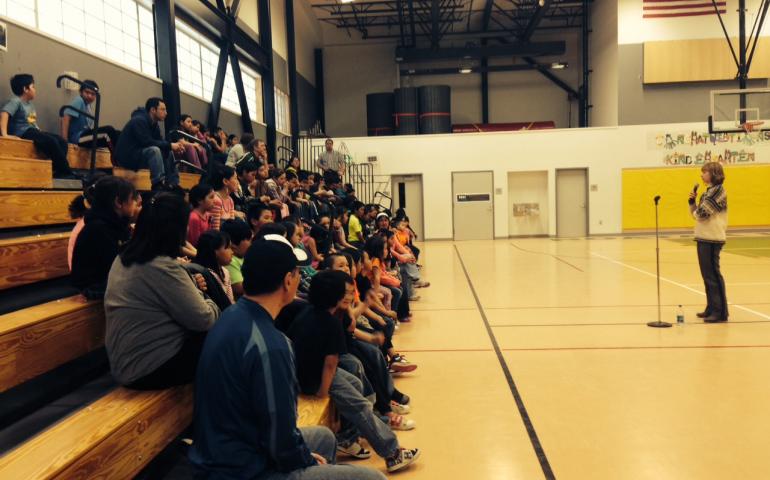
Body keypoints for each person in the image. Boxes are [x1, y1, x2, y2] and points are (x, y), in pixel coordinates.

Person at [189, 235, 387, 479]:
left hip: (224, 450)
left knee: (323, 437)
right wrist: (303, 457)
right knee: (373, 478)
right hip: (243, 469)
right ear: (288, 280)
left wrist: (301, 454)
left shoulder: (231, 316)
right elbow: (280, 438)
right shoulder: (271, 344)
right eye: (296, 272)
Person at [288, 270, 421, 473]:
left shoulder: (313, 311)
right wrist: (322, 391)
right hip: (315, 377)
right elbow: (331, 363)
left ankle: (347, 437)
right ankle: (392, 453)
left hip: (306, 371)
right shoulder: (330, 322)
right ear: (334, 295)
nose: (351, 296)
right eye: (348, 293)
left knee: (357, 384)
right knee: (359, 406)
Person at [104, 193, 220, 389]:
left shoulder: (125, 256)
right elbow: (204, 319)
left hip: (128, 362)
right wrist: (208, 301)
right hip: (147, 368)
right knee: (229, 340)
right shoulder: (161, 266)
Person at [0, 73, 80, 179]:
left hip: (33, 131)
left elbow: (32, 122)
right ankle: (66, 171)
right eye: (33, 86)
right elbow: (4, 114)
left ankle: (57, 170)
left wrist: (40, 131)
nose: (35, 89)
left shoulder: (30, 105)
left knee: (61, 141)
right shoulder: (15, 101)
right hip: (24, 132)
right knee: (51, 141)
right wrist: (5, 134)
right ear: (25, 89)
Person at [71, 176, 137, 299]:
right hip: (93, 287)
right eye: (132, 199)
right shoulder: (99, 229)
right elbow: (117, 266)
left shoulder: (114, 223)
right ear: (118, 202)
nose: (135, 203)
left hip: (106, 281)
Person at [115, 97, 186, 190]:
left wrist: (173, 146)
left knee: (167, 150)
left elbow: (160, 142)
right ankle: (158, 185)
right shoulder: (139, 120)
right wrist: (170, 145)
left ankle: (173, 184)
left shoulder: (154, 124)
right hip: (127, 156)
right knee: (154, 150)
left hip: (139, 154)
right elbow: (146, 142)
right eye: (163, 109)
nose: (166, 113)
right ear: (153, 110)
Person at [689, 162, 729, 323]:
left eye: (704, 172)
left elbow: (702, 214)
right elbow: (696, 213)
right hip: (704, 237)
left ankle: (720, 312)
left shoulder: (718, 191)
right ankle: (711, 307)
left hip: (713, 238)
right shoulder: (709, 192)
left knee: (713, 275)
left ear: (713, 173)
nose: (701, 175)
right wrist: (692, 203)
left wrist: (697, 210)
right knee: (707, 276)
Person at [60, 79, 119, 148]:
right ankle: (116, 156)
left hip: (84, 136)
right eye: (87, 92)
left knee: (117, 133)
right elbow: (65, 118)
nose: (90, 96)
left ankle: (117, 154)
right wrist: (64, 141)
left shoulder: (88, 106)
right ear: (81, 92)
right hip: (76, 138)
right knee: (109, 130)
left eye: (93, 94)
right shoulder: (79, 100)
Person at [194, 230, 235, 305]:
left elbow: (230, 302)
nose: (232, 252)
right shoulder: (201, 276)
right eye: (228, 248)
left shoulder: (225, 272)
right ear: (214, 251)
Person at [221, 219, 252, 299]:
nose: (251, 243)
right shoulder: (230, 261)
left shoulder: (244, 256)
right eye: (248, 240)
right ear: (233, 244)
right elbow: (239, 287)